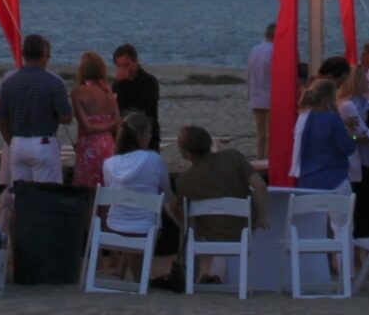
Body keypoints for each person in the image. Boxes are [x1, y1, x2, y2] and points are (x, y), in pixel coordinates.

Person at [170, 125, 262, 282]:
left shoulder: (185, 181)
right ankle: (215, 275)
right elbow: (260, 186)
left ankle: (187, 277)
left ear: (187, 154)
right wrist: (262, 217)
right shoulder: (233, 157)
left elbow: (184, 217)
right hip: (243, 230)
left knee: (183, 223)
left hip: (210, 236)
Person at [97, 111, 176, 282]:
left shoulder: (109, 164)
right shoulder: (153, 159)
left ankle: (123, 272)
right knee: (143, 219)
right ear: (139, 135)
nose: (150, 136)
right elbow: (168, 195)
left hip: (114, 224)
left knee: (129, 216)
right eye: (148, 131)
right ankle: (140, 279)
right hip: (146, 227)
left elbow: (114, 193)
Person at [0, 33, 72, 183]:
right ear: (43, 55)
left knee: (21, 196)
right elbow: (66, 118)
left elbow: (2, 119)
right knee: (47, 195)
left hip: (17, 143)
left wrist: (11, 141)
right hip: (43, 143)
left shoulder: (9, 83)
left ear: (24, 54)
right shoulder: (54, 83)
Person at [291, 77, 360, 191]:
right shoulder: (333, 120)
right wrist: (353, 135)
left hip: (307, 181)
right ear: (327, 100)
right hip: (334, 181)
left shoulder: (302, 118)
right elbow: (349, 148)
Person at [70, 52, 121, 187]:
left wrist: (104, 126)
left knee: (87, 191)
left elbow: (87, 127)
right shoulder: (108, 92)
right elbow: (117, 122)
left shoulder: (77, 93)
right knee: (107, 189)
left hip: (89, 147)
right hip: (108, 145)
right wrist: (109, 126)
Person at [111, 43, 162, 151]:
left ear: (136, 62)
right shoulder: (118, 84)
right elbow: (115, 108)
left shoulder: (150, 81)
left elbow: (148, 108)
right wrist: (119, 84)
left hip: (147, 133)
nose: (124, 69)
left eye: (127, 65)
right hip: (125, 136)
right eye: (119, 66)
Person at [246, 23, 274, 160]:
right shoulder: (275, 50)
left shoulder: (254, 50)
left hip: (256, 96)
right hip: (270, 97)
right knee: (270, 135)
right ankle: (267, 161)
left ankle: (259, 158)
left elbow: (249, 73)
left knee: (260, 135)